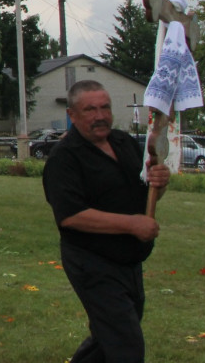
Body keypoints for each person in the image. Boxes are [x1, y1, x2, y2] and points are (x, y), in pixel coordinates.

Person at [43, 80, 170, 363]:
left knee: (107, 340)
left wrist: (159, 185)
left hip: (128, 262)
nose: (100, 116)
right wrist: (132, 225)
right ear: (73, 115)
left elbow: (144, 193)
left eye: (105, 108)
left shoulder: (124, 143)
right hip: (92, 263)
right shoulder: (64, 159)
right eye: (90, 110)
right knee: (126, 345)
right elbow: (71, 216)